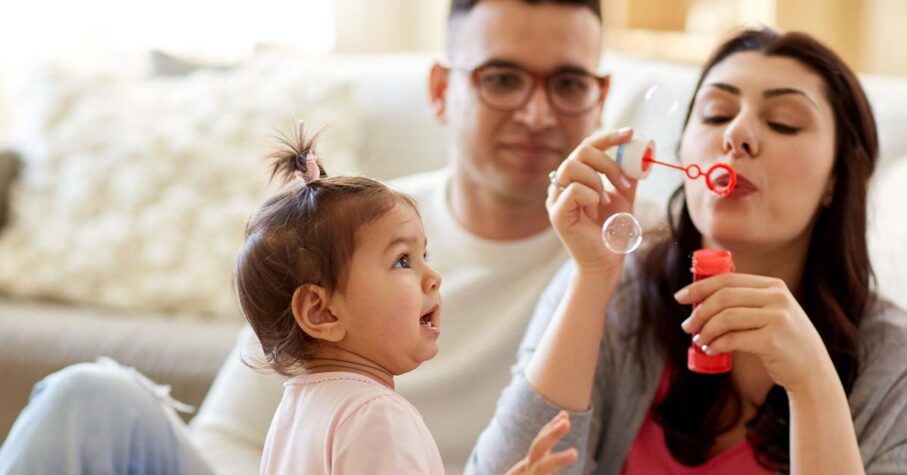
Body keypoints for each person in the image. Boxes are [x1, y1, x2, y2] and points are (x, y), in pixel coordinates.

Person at [0, 1, 613, 474]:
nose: (536, 115)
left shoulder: (618, 262)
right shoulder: (352, 230)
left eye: (567, 84)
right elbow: (228, 439)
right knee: (90, 395)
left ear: (601, 97)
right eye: (501, 79)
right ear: (440, 89)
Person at [468, 27, 907, 474]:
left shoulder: (894, 365)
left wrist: (814, 385)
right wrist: (593, 279)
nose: (737, 135)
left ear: (837, 177)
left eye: (783, 122)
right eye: (716, 115)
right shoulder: (616, 286)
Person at [240, 127, 576, 474]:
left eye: (424, 255)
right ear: (322, 311)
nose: (434, 277)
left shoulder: (296, 412)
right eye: (403, 261)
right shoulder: (376, 414)